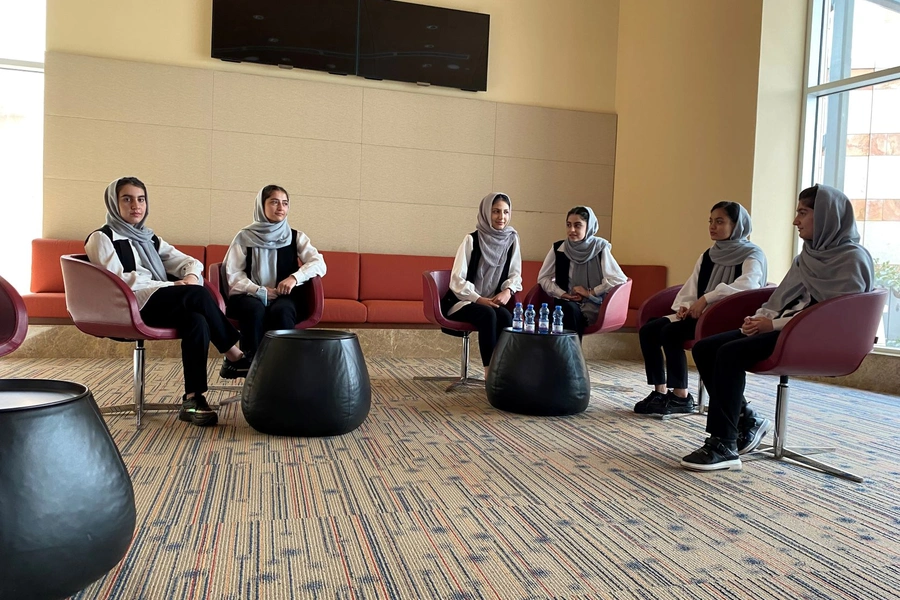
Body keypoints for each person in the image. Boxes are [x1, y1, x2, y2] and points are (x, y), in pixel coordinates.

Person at [681, 185, 874, 471]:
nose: (796, 221)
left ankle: (724, 443)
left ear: (826, 216)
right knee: (707, 348)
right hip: (785, 329)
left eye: (803, 213)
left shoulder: (852, 259)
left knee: (729, 354)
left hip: (817, 338)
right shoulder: (807, 256)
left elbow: (834, 317)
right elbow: (780, 297)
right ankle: (747, 419)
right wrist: (758, 319)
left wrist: (773, 324)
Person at [86, 177, 246, 427]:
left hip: (158, 303)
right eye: (126, 199)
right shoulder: (102, 238)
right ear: (113, 203)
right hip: (128, 308)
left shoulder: (149, 238)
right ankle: (234, 355)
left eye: (141, 199)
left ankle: (193, 398)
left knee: (197, 319)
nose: (135, 205)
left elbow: (190, 262)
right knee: (197, 294)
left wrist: (191, 276)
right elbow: (120, 282)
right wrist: (172, 286)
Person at [635, 202, 768, 416]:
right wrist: (685, 307)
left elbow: (749, 286)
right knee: (649, 329)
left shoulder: (752, 254)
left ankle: (680, 395)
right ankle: (660, 391)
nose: (712, 226)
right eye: (711, 221)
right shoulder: (709, 254)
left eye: (720, 221)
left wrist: (709, 297)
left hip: (727, 318)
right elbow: (693, 286)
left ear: (737, 225)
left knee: (671, 332)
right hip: (701, 315)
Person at [223, 185, 326, 364]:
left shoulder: (295, 237)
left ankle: (284, 366)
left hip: (284, 297)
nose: (281, 208)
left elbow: (319, 263)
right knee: (254, 310)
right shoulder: (244, 237)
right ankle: (252, 366)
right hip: (249, 295)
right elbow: (233, 274)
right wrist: (258, 290)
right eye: (274, 202)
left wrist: (295, 277)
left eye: (285, 203)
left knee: (283, 311)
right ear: (261, 206)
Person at [443, 192, 522, 377]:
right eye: (495, 211)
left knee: (506, 317)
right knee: (488, 315)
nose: (501, 217)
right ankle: (490, 373)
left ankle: (504, 368)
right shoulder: (471, 240)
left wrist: (508, 291)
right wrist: (479, 299)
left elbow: (515, 274)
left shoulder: (512, 240)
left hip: (492, 302)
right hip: (461, 302)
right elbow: (456, 280)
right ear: (486, 213)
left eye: (505, 212)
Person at [537, 206, 627, 339]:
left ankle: (571, 356)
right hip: (565, 302)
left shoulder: (600, 248)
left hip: (593, 304)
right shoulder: (559, 248)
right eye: (569, 225)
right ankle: (569, 356)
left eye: (577, 225)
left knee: (569, 312)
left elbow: (619, 279)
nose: (571, 230)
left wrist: (590, 293)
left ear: (588, 227)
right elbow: (543, 278)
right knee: (566, 309)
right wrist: (564, 294)